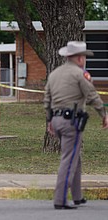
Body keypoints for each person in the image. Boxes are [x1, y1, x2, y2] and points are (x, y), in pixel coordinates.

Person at [44, 41, 108, 210]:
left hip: (56, 120)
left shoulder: (54, 74)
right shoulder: (80, 74)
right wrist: (104, 114)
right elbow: (92, 95)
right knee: (68, 160)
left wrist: (49, 120)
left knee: (74, 156)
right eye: (84, 57)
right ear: (80, 58)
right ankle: (60, 200)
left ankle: (77, 196)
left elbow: (47, 99)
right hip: (70, 121)